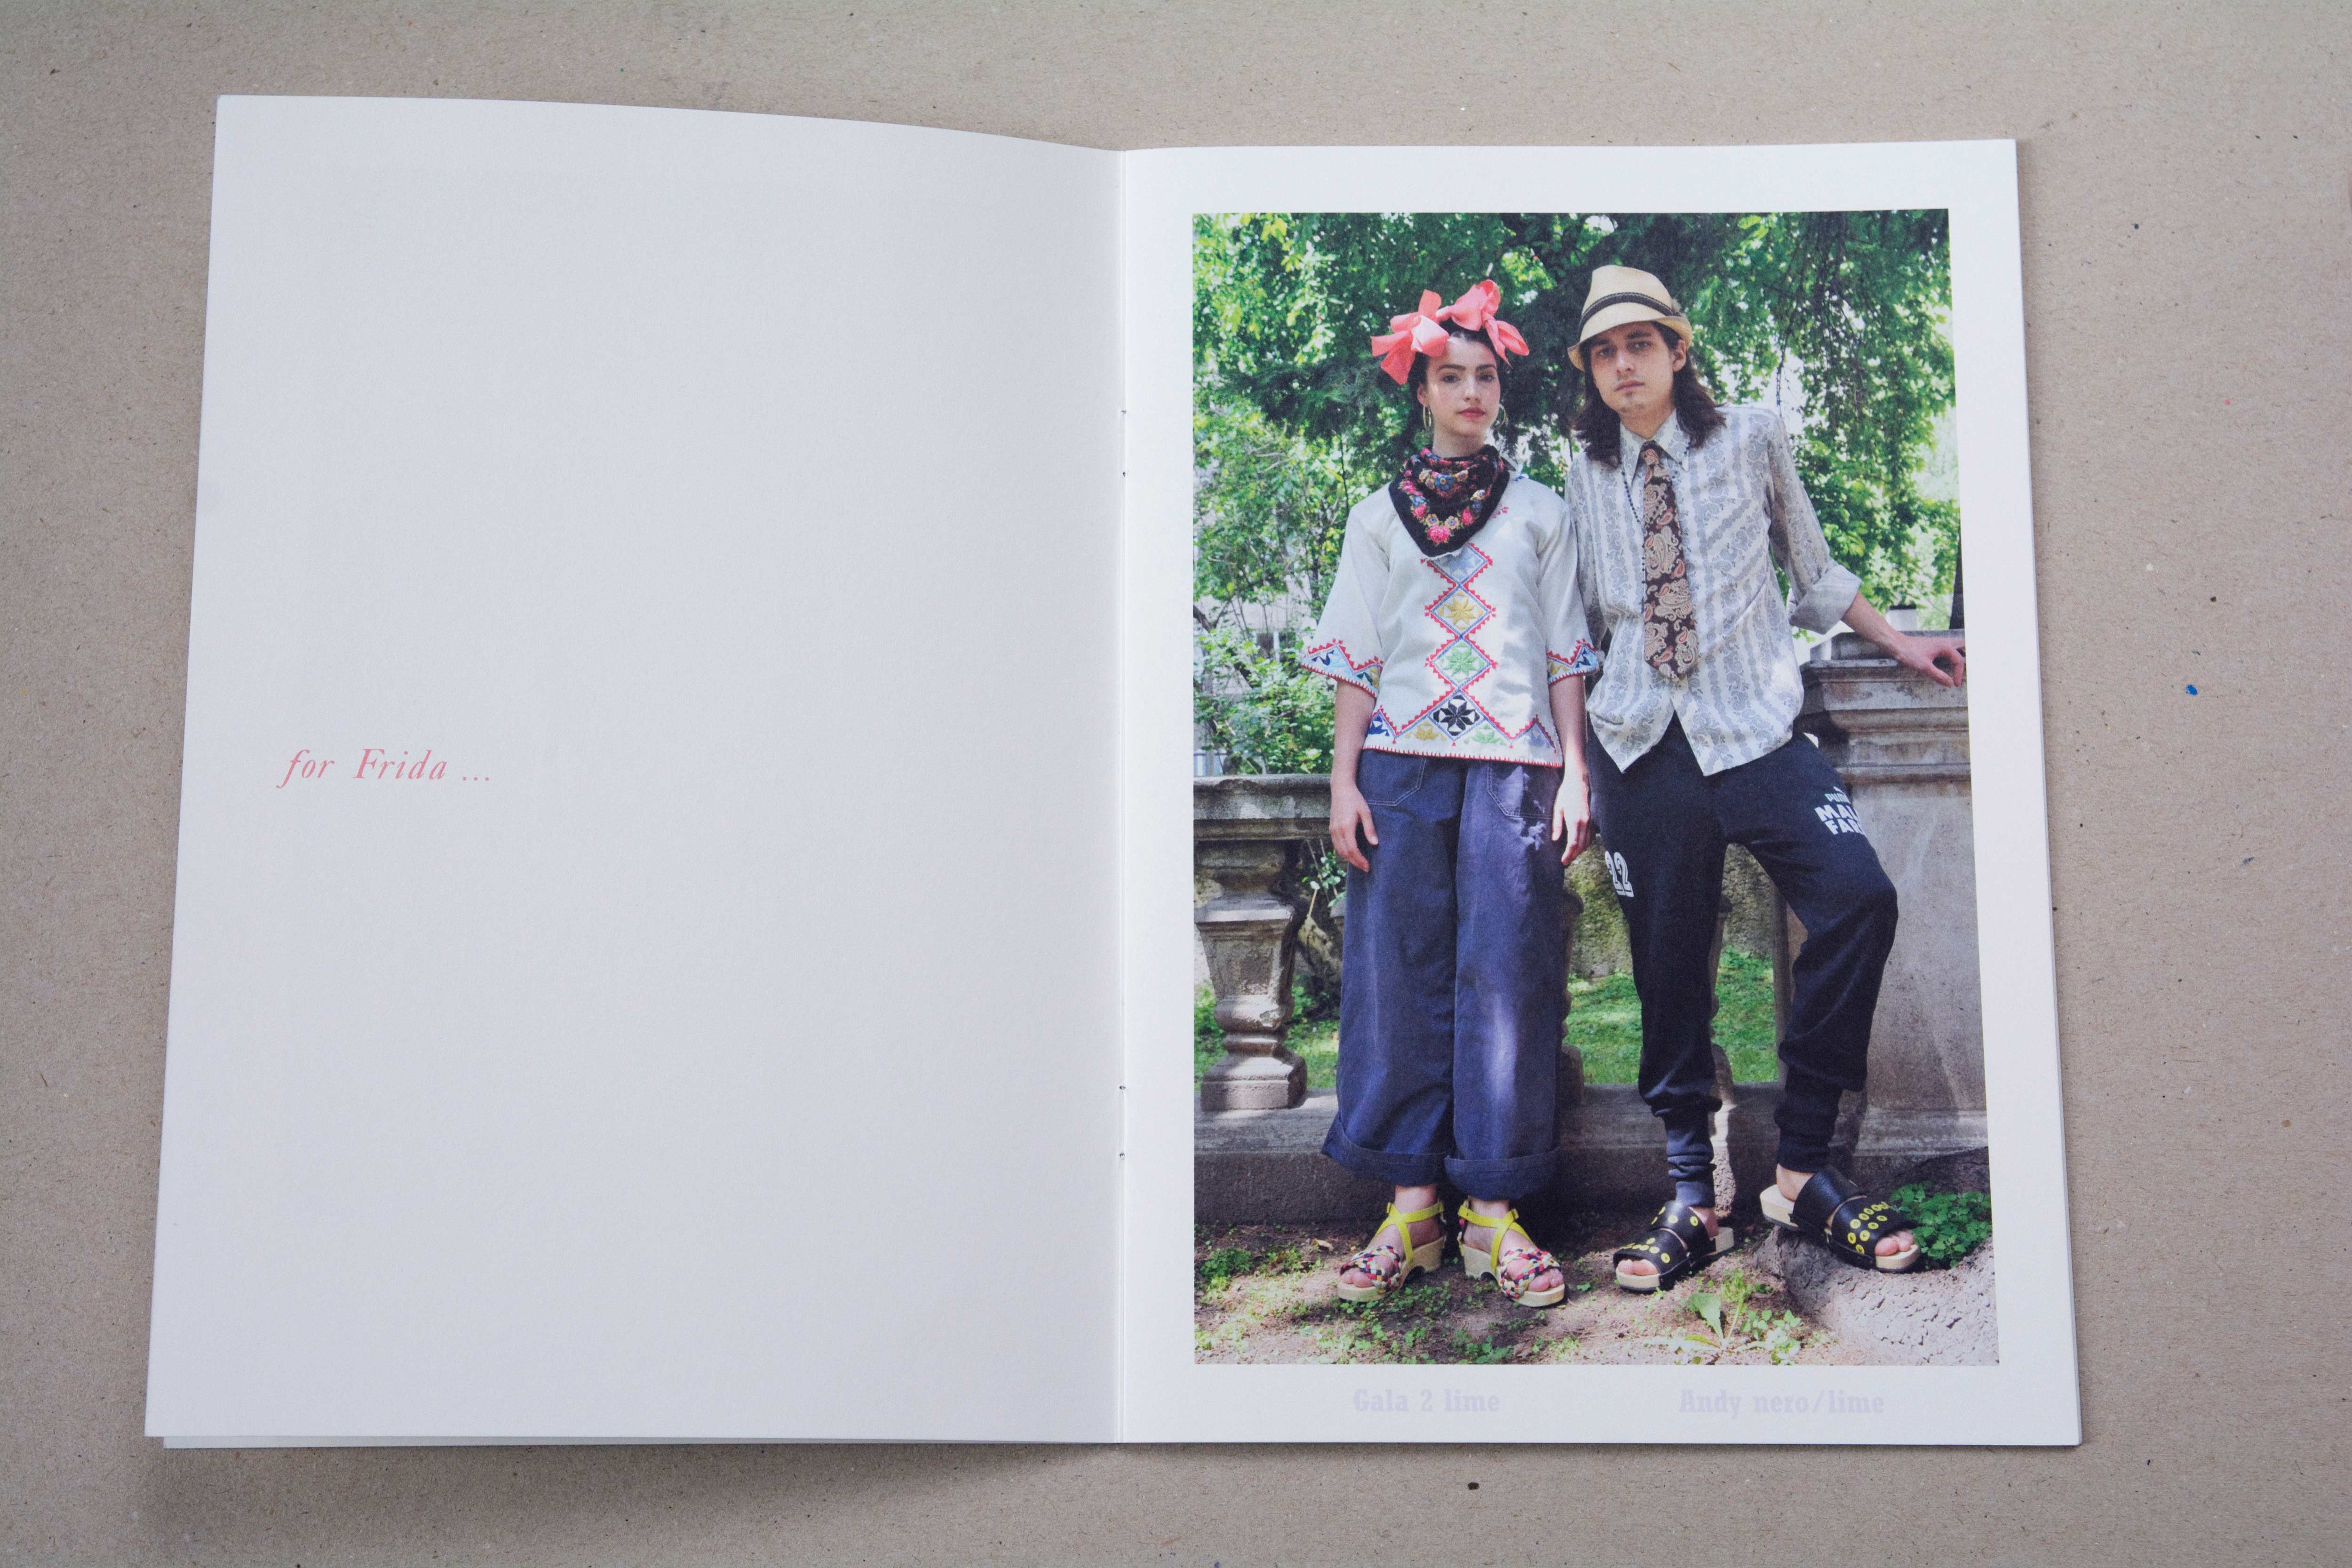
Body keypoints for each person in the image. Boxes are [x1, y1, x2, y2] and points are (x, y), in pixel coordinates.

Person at [1557, 265, 1968, 1292]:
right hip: (1642, 745)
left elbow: (1815, 569)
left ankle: (1801, 1169)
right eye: (1603, 352)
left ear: (1676, 350)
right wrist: (1575, 768)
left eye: (1638, 345)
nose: (1622, 366)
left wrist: (1903, 642)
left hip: (1753, 731)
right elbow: (1579, 628)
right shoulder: (1582, 466)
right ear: (1589, 371)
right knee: (1667, 969)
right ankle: (1695, 1198)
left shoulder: (1749, 435)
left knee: (1857, 898)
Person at [1296, 281, 1600, 1309]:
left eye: (1485, 376)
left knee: (1509, 977)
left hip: (1517, 771)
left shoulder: (1542, 513)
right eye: (1450, 376)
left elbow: (1565, 650)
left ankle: (1496, 1212)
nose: (1470, 391)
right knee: (1396, 971)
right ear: (1420, 390)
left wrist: (1575, 771)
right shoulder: (1375, 518)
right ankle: (1412, 1207)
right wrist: (1343, 781)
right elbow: (1356, 657)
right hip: (1398, 767)